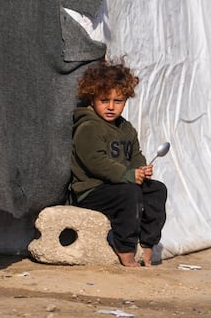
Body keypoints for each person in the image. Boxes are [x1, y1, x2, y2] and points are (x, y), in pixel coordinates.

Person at [70, 59, 168, 267]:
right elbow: (95, 161)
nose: (111, 107)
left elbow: (135, 154)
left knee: (157, 190)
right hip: (93, 191)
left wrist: (141, 169)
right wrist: (127, 175)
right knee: (129, 193)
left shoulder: (126, 128)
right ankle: (124, 247)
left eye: (118, 101)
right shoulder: (88, 127)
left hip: (119, 184)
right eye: (105, 100)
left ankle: (148, 243)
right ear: (92, 98)